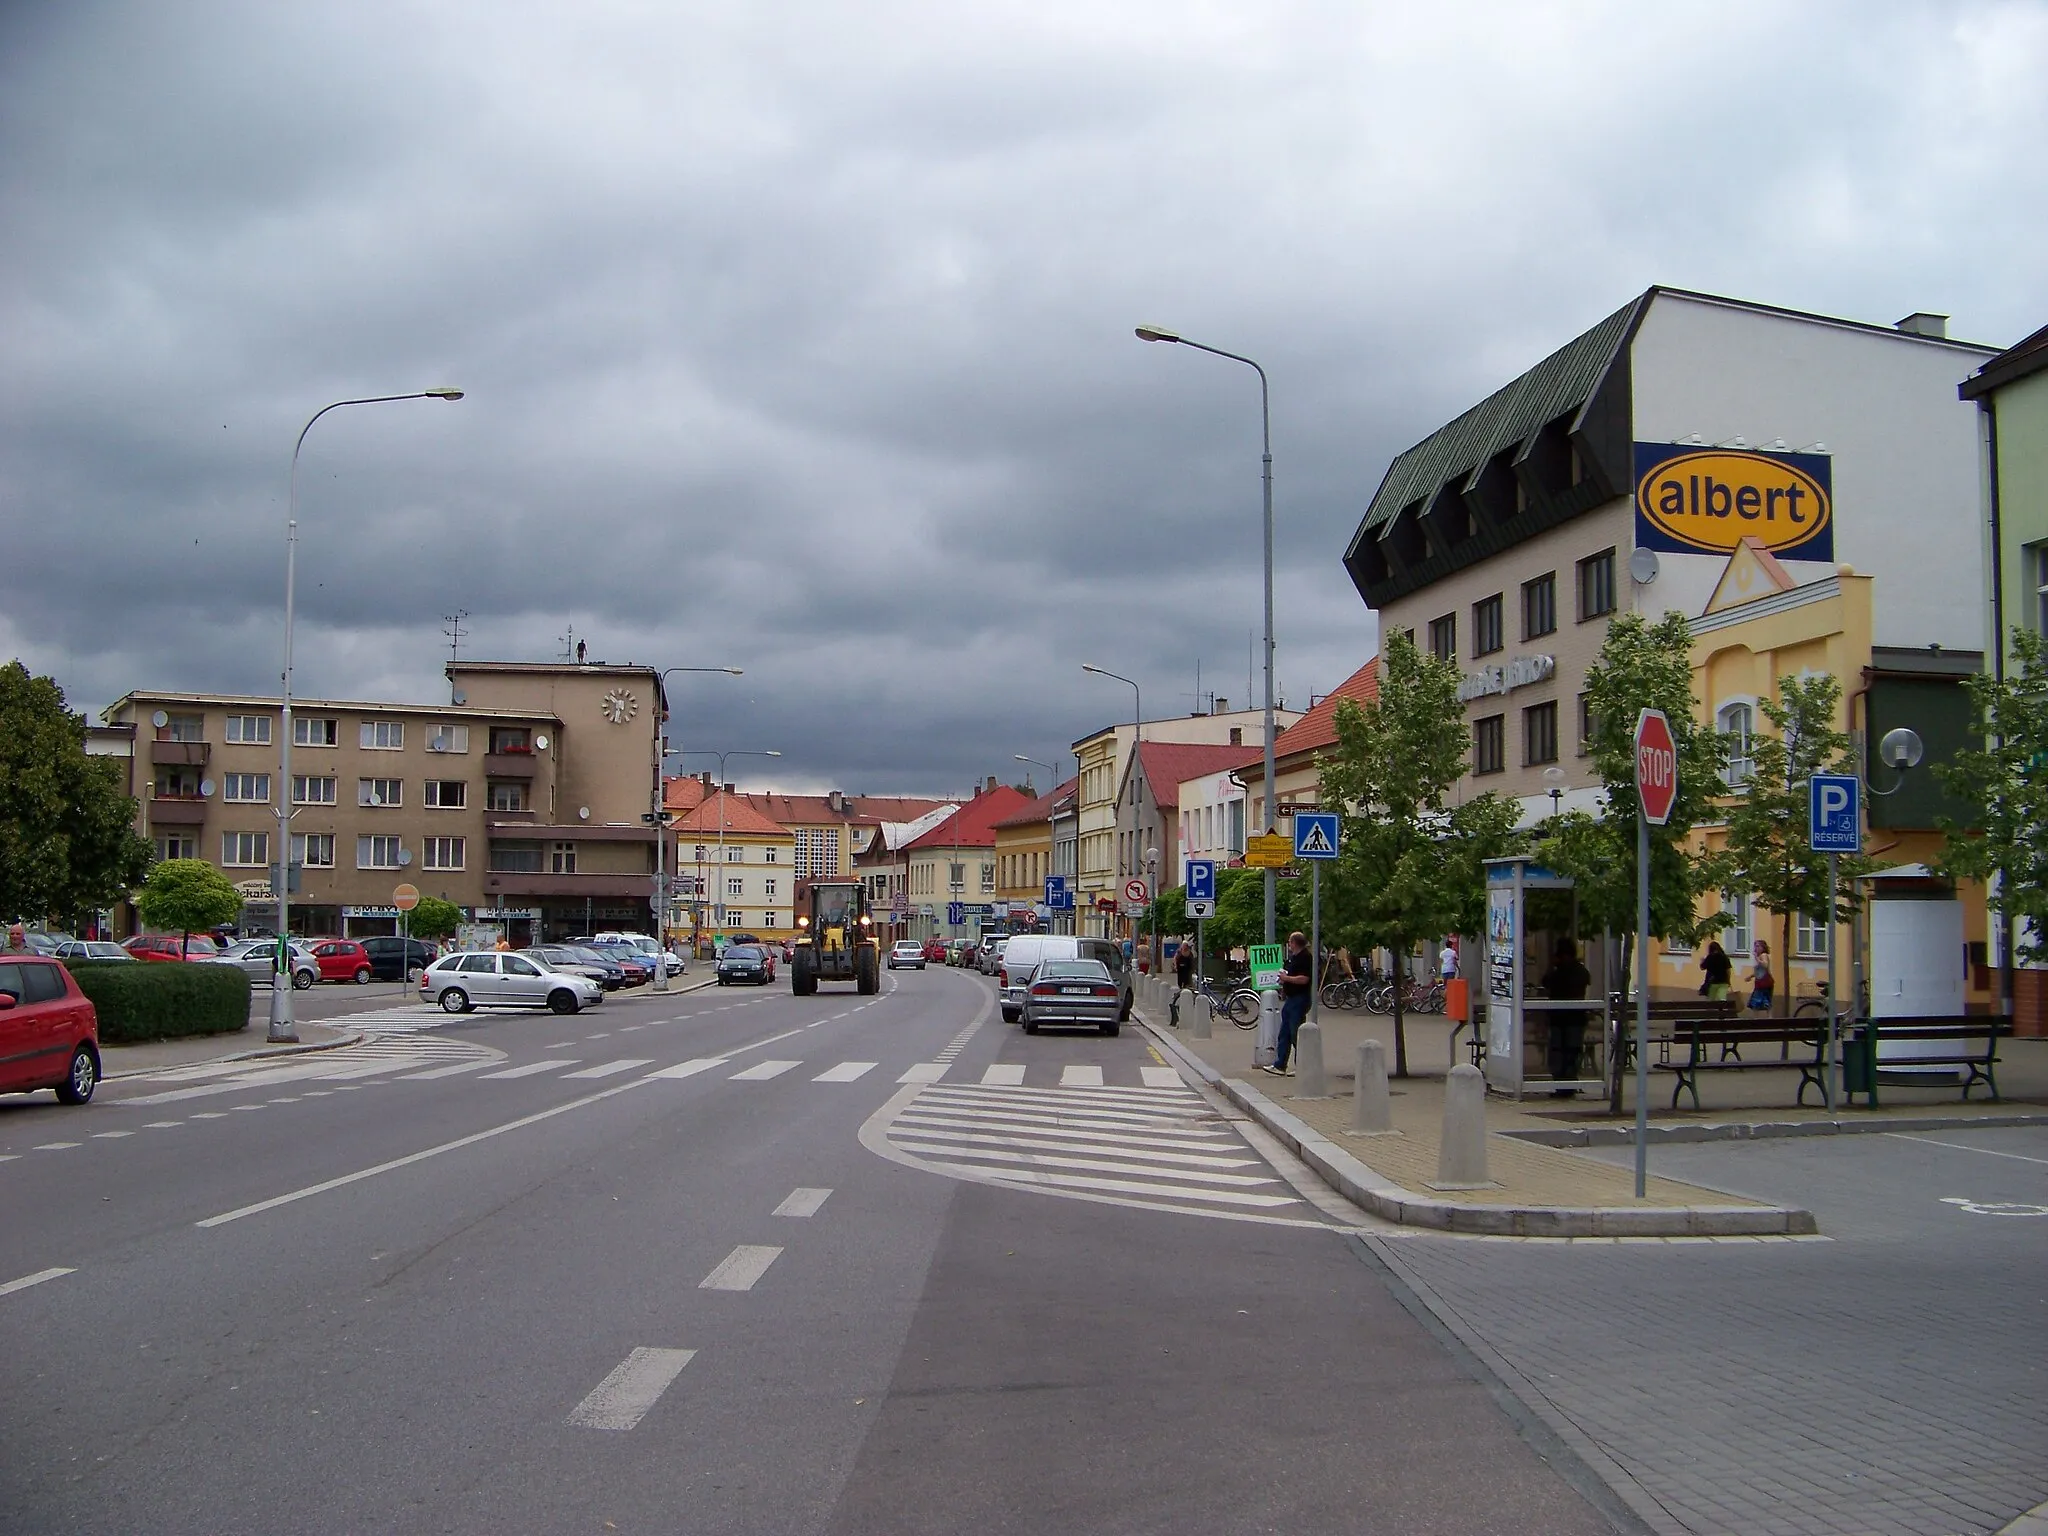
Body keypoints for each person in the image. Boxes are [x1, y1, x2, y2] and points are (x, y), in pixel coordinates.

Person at [1540, 937, 1592, 1093]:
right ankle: (1569, 1083)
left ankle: (1562, 1085)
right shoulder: (1581, 971)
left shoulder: (1561, 972)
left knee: (1560, 1052)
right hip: (1575, 1019)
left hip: (1561, 1019)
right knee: (1572, 1052)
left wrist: (1553, 966)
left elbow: (1547, 981)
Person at [1264, 931, 1312, 1076]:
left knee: (1295, 1033)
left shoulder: (1305, 957)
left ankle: (1303, 1065)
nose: (1289, 945)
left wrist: (1287, 978)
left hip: (1300, 998)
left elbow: (1304, 979)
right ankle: (1280, 1064)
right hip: (1291, 998)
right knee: (1284, 1033)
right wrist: (1284, 981)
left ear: (1294, 943)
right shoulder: (1294, 958)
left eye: (1290, 942)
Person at [1748, 940, 1775, 1012]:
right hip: (1760, 982)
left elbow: (1765, 965)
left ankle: (1766, 1019)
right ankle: (1759, 1019)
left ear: (1763, 947)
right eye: (1755, 946)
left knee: (1760, 1002)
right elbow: (1759, 971)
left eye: (1758, 946)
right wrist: (1751, 976)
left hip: (1765, 982)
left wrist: (1757, 958)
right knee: (1758, 1002)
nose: (1756, 948)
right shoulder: (1760, 956)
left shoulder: (1763, 955)